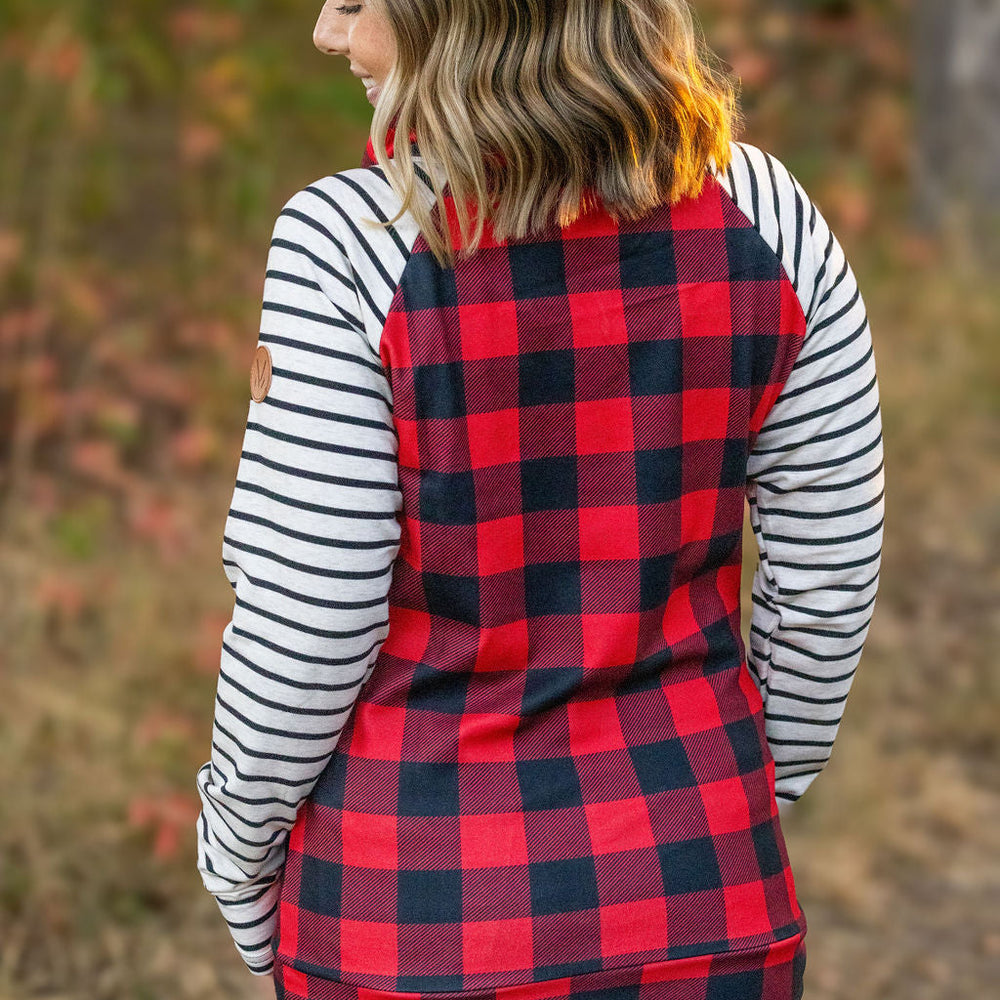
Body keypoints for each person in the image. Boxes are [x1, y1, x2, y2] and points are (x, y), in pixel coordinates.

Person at [194, 2, 885, 999]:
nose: (327, 34)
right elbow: (827, 576)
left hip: (406, 919)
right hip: (705, 904)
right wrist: (730, 802)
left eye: (355, 4)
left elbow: (307, 616)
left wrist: (238, 854)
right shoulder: (766, 215)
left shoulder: (349, 245)